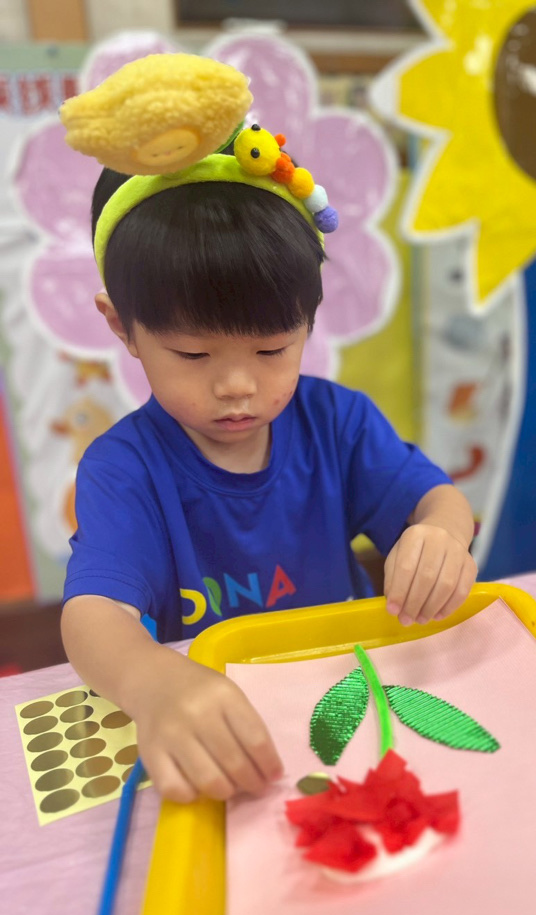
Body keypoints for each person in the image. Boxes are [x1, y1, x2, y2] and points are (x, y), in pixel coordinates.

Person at [59, 54, 477, 807]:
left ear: (308, 322)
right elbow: (94, 615)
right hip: (212, 734)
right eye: (194, 355)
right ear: (123, 328)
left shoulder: (337, 423)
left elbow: (437, 501)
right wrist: (151, 682)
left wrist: (442, 535)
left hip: (350, 704)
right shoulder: (125, 469)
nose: (236, 386)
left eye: (272, 349)